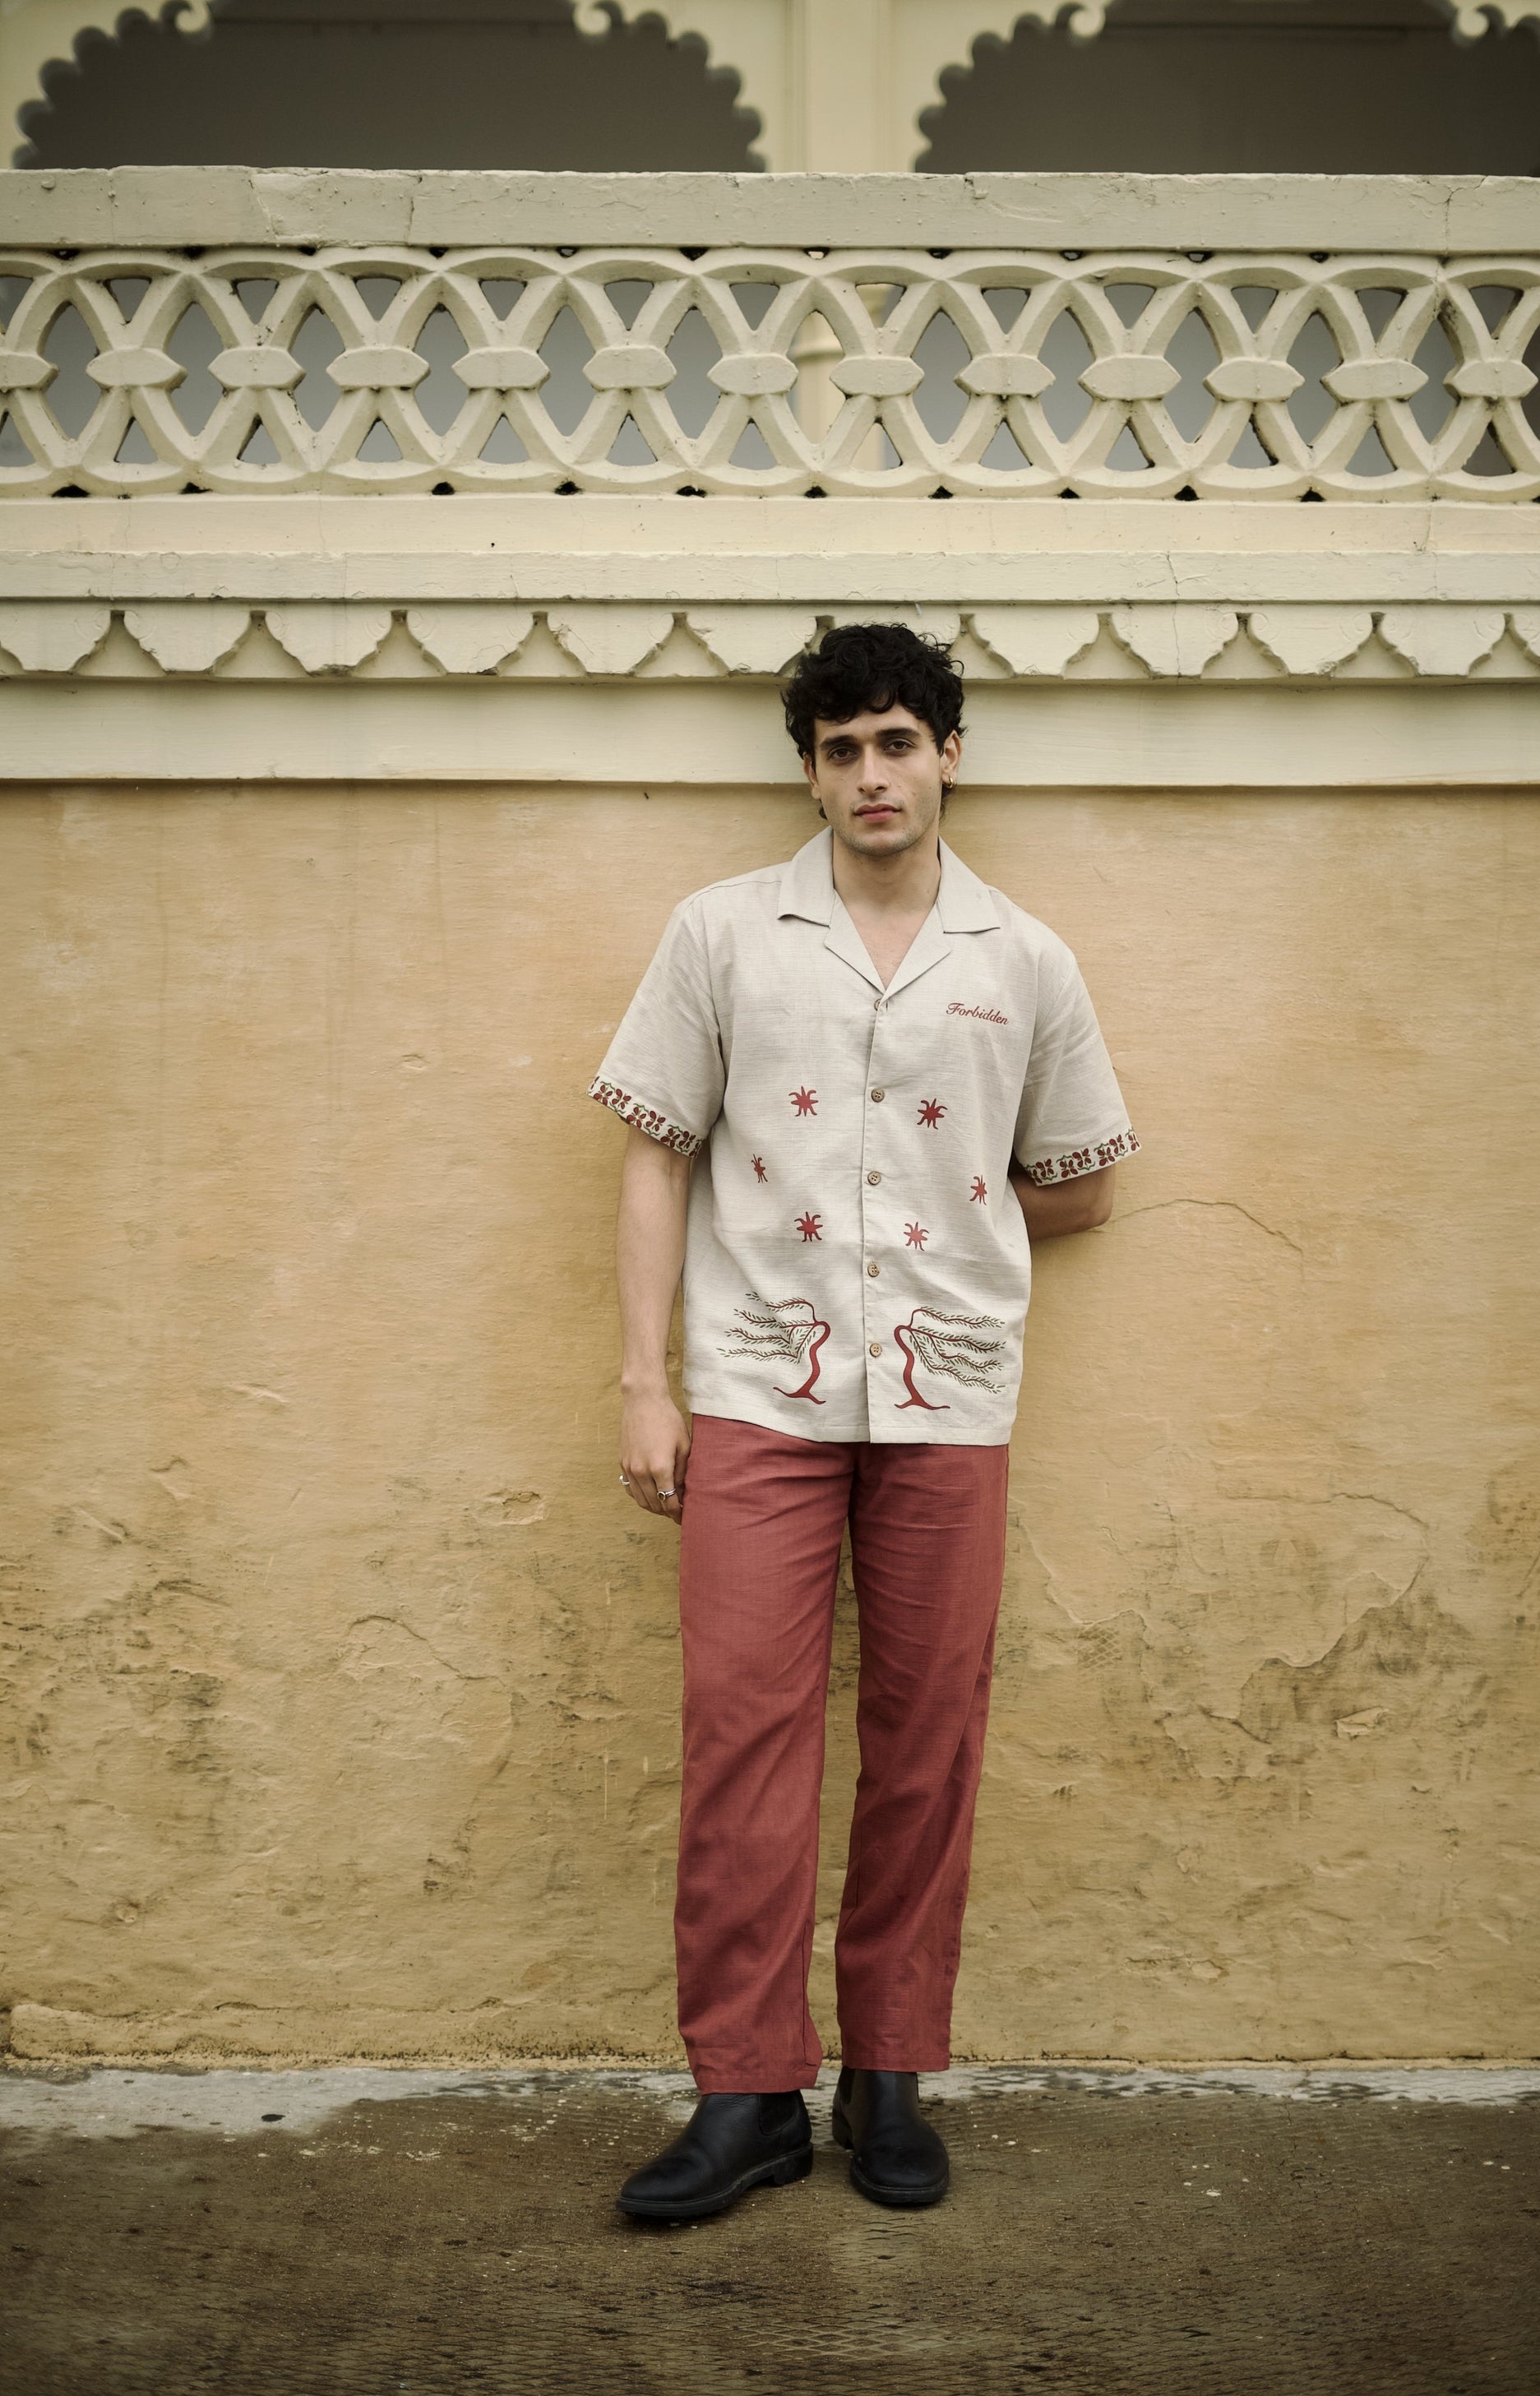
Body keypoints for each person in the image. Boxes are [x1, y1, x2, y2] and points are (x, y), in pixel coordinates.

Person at [589, 622, 1138, 2223]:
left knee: (924, 1737)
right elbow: (652, 1148)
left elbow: (1084, 1175)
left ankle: (886, 2071)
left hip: (948, 1393)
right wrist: (645, 1380)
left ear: (948, 751)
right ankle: (745, 2087)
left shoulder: (1022, 957)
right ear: (810, 769)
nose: (871, 775)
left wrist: (942, 1252)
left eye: (896, 741)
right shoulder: (721, 934)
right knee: (741, 1734)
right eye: (840, 750)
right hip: (757, 1386)